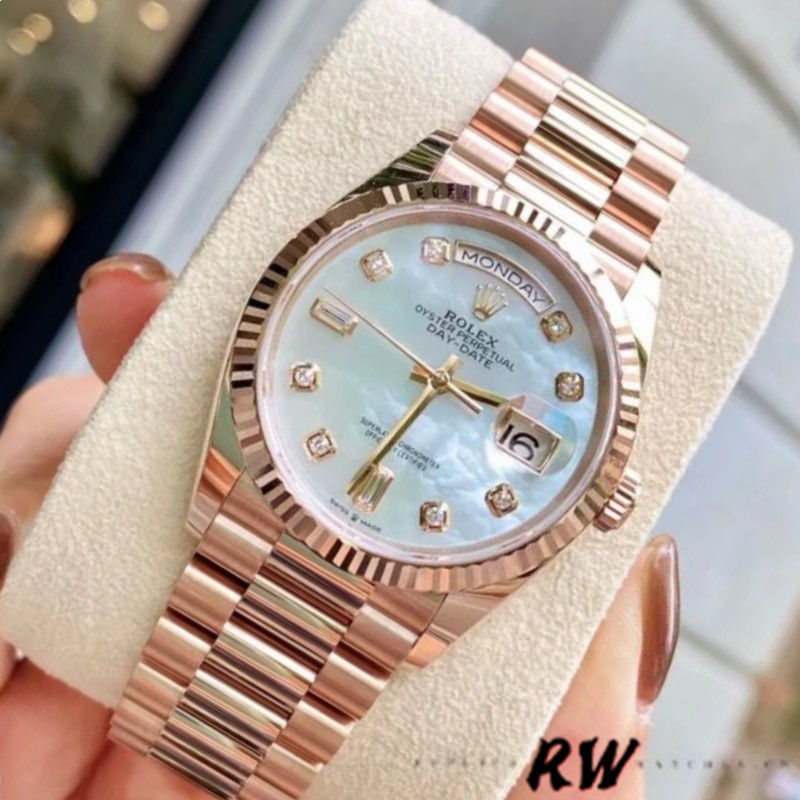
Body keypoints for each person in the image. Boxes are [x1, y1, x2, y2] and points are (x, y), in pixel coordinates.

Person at [0, 254, 680, 799]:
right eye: (439, 377)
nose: (441, 382)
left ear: (603, 495)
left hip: (396, 598)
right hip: (255, 507)